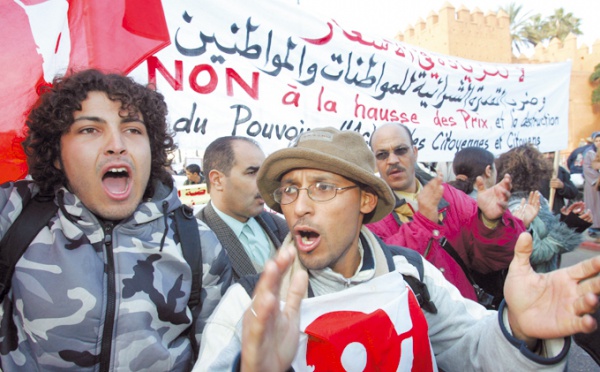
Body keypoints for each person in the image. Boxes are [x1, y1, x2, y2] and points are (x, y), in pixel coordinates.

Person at [195, 127, 600, 371]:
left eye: (323, 187)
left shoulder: (411, 274)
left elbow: (475, 349)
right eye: (289, 189)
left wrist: (519, 329)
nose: (298, 206)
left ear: (366, 202)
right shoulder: (247, 306)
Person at [0, 69, 233, 371]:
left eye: (133, 130)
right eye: (89, 130)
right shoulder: (13, 214)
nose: (116, 145)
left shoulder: (198, 243)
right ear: (57, 154)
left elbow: (218, 358)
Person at [366, 123, 526, 304]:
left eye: (401, 150)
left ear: (415, 152)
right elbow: (385, 273)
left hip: (465, 316)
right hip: (414, 324)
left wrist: (490, 222)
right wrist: (423, 224)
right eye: (382, 154)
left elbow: (492, 259)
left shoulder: (450, 196)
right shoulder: (368, 213)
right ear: (374, 162)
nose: (392, 160)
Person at [197, 136, 289, 280]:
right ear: (217, 180)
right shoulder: (194, 241)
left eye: (263, 174)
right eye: (251, 173)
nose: (263, 184)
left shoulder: (281, 226)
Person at [495, 144, 584, 273]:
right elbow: (533, 254)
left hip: (542, 277)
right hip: (529, 282)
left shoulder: (535, 196)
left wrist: (568, 221)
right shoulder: (518, 206)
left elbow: (545, 233)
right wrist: (561, 235)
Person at [583, 132, 600, 238]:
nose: (599, 143)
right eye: (597, 141)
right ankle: (594, 227)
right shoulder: (589, 153)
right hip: (593, 184)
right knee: (594, 205)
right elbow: (587, 168)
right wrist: (596, 179)